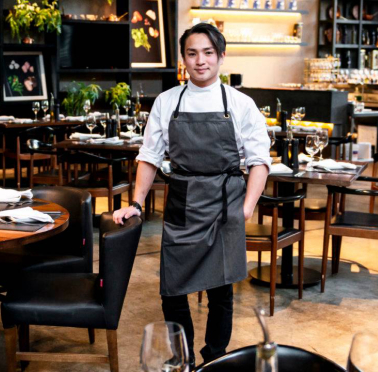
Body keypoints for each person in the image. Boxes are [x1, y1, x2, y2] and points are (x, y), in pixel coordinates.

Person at [112, 23, 271, 367]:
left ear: (221, 57)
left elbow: (260, 161)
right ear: (183, 59)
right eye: (192, 53)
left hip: (226, 202)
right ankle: (181, 358)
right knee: (172, 289)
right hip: (183, 200)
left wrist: (245, 209)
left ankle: (214, 359)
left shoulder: (241, 104)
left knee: (221, 292)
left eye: (208, 53)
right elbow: (150, 156)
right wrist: (136, 202)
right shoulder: (168, 101)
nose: (200, 61)